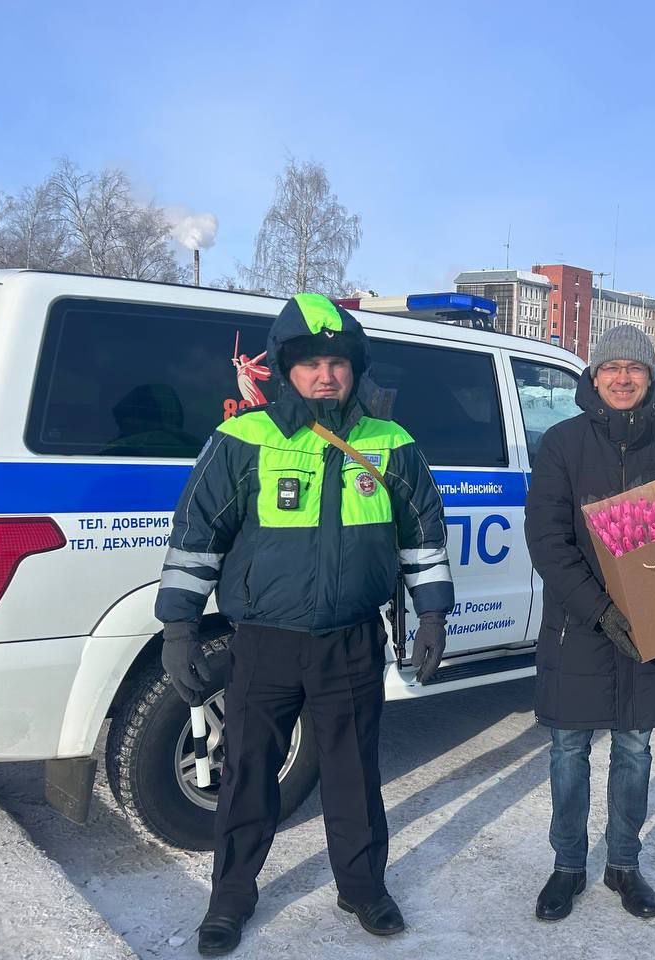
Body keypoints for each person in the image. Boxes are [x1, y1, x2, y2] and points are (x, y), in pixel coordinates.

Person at [155, 293, 453, 956]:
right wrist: (178, 626)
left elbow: (423, 537)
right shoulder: (244, 439)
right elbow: (197, 536)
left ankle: (362, 887)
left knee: (353, 774)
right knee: (248, 774)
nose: (326, 375)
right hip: (266, 641)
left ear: (355, 369)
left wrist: (433, 613)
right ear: (286, 368)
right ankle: (231, 897)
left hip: (351, 640)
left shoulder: (392, 444)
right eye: (311, 363)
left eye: (338, 363)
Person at [524, 324, 655, 922]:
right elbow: (547, 541)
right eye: (610, 367)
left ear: (651, 376)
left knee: (635, 748)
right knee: (569, 748)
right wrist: (599, 609)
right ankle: (567, 865)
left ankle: (623, 863)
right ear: (593, 377)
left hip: (652, 628)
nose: (622, 378)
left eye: (634, 368)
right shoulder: (562, 444)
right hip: (580, 627)